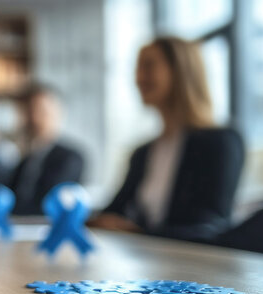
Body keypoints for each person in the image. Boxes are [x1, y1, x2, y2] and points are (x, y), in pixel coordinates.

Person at [88, 37, 245, 241]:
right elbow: (113, 212)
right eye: (137, 67)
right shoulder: (143, 152)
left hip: (191, 268)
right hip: (148, 264)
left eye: (149, 66)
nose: (138, 77)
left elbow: (208, 227)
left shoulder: (220, 142)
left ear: (181, 71)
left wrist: (138, 234)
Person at [8, 84, 85, 215]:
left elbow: (49, 205)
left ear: (58, 114)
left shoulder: (70, 158)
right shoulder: (26, 161)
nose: (35, 118)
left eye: (42, 111)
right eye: (30, 112)